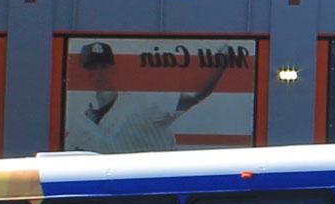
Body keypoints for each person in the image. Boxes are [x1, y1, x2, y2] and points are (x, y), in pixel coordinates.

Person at [64, 41, 226, 153]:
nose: (99, 73)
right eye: (92, 68)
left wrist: (224, 58)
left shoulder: (143, 103)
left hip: (162, 191)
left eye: (104, 66)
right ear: (83, 75)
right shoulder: (78, 128)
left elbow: (195, 94)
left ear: (114, 70)